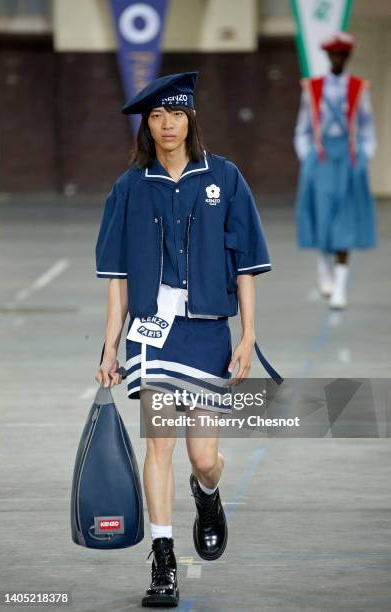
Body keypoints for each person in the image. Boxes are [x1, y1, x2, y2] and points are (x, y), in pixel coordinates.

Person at [94, 71, 282, 607]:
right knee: (159, 445)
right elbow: (118, 280)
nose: (166, 124)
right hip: (151, 337)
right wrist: (109, 347)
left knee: (202, 458)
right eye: (155, 116)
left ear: (190, 118)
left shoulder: (224, 176)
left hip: (206, 334)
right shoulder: (130, 187)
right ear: (147, 126)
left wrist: (248, 336)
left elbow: (245, 265)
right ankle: (163, 562)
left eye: (175, 114)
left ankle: (208, 494)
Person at [294, 32, 377, 309]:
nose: (337, 59)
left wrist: (364, 156)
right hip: (320, 158)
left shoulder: (358, 88)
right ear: (328, 57)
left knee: (345, 219)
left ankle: (340, 285)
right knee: (321, 213)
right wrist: (307, 156)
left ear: (347, 57)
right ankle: (323, 265)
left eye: (342, 54)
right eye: (333, 55)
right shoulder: (312, 88)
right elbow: (303, 127)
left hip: (348, 159)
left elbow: (366, 127)